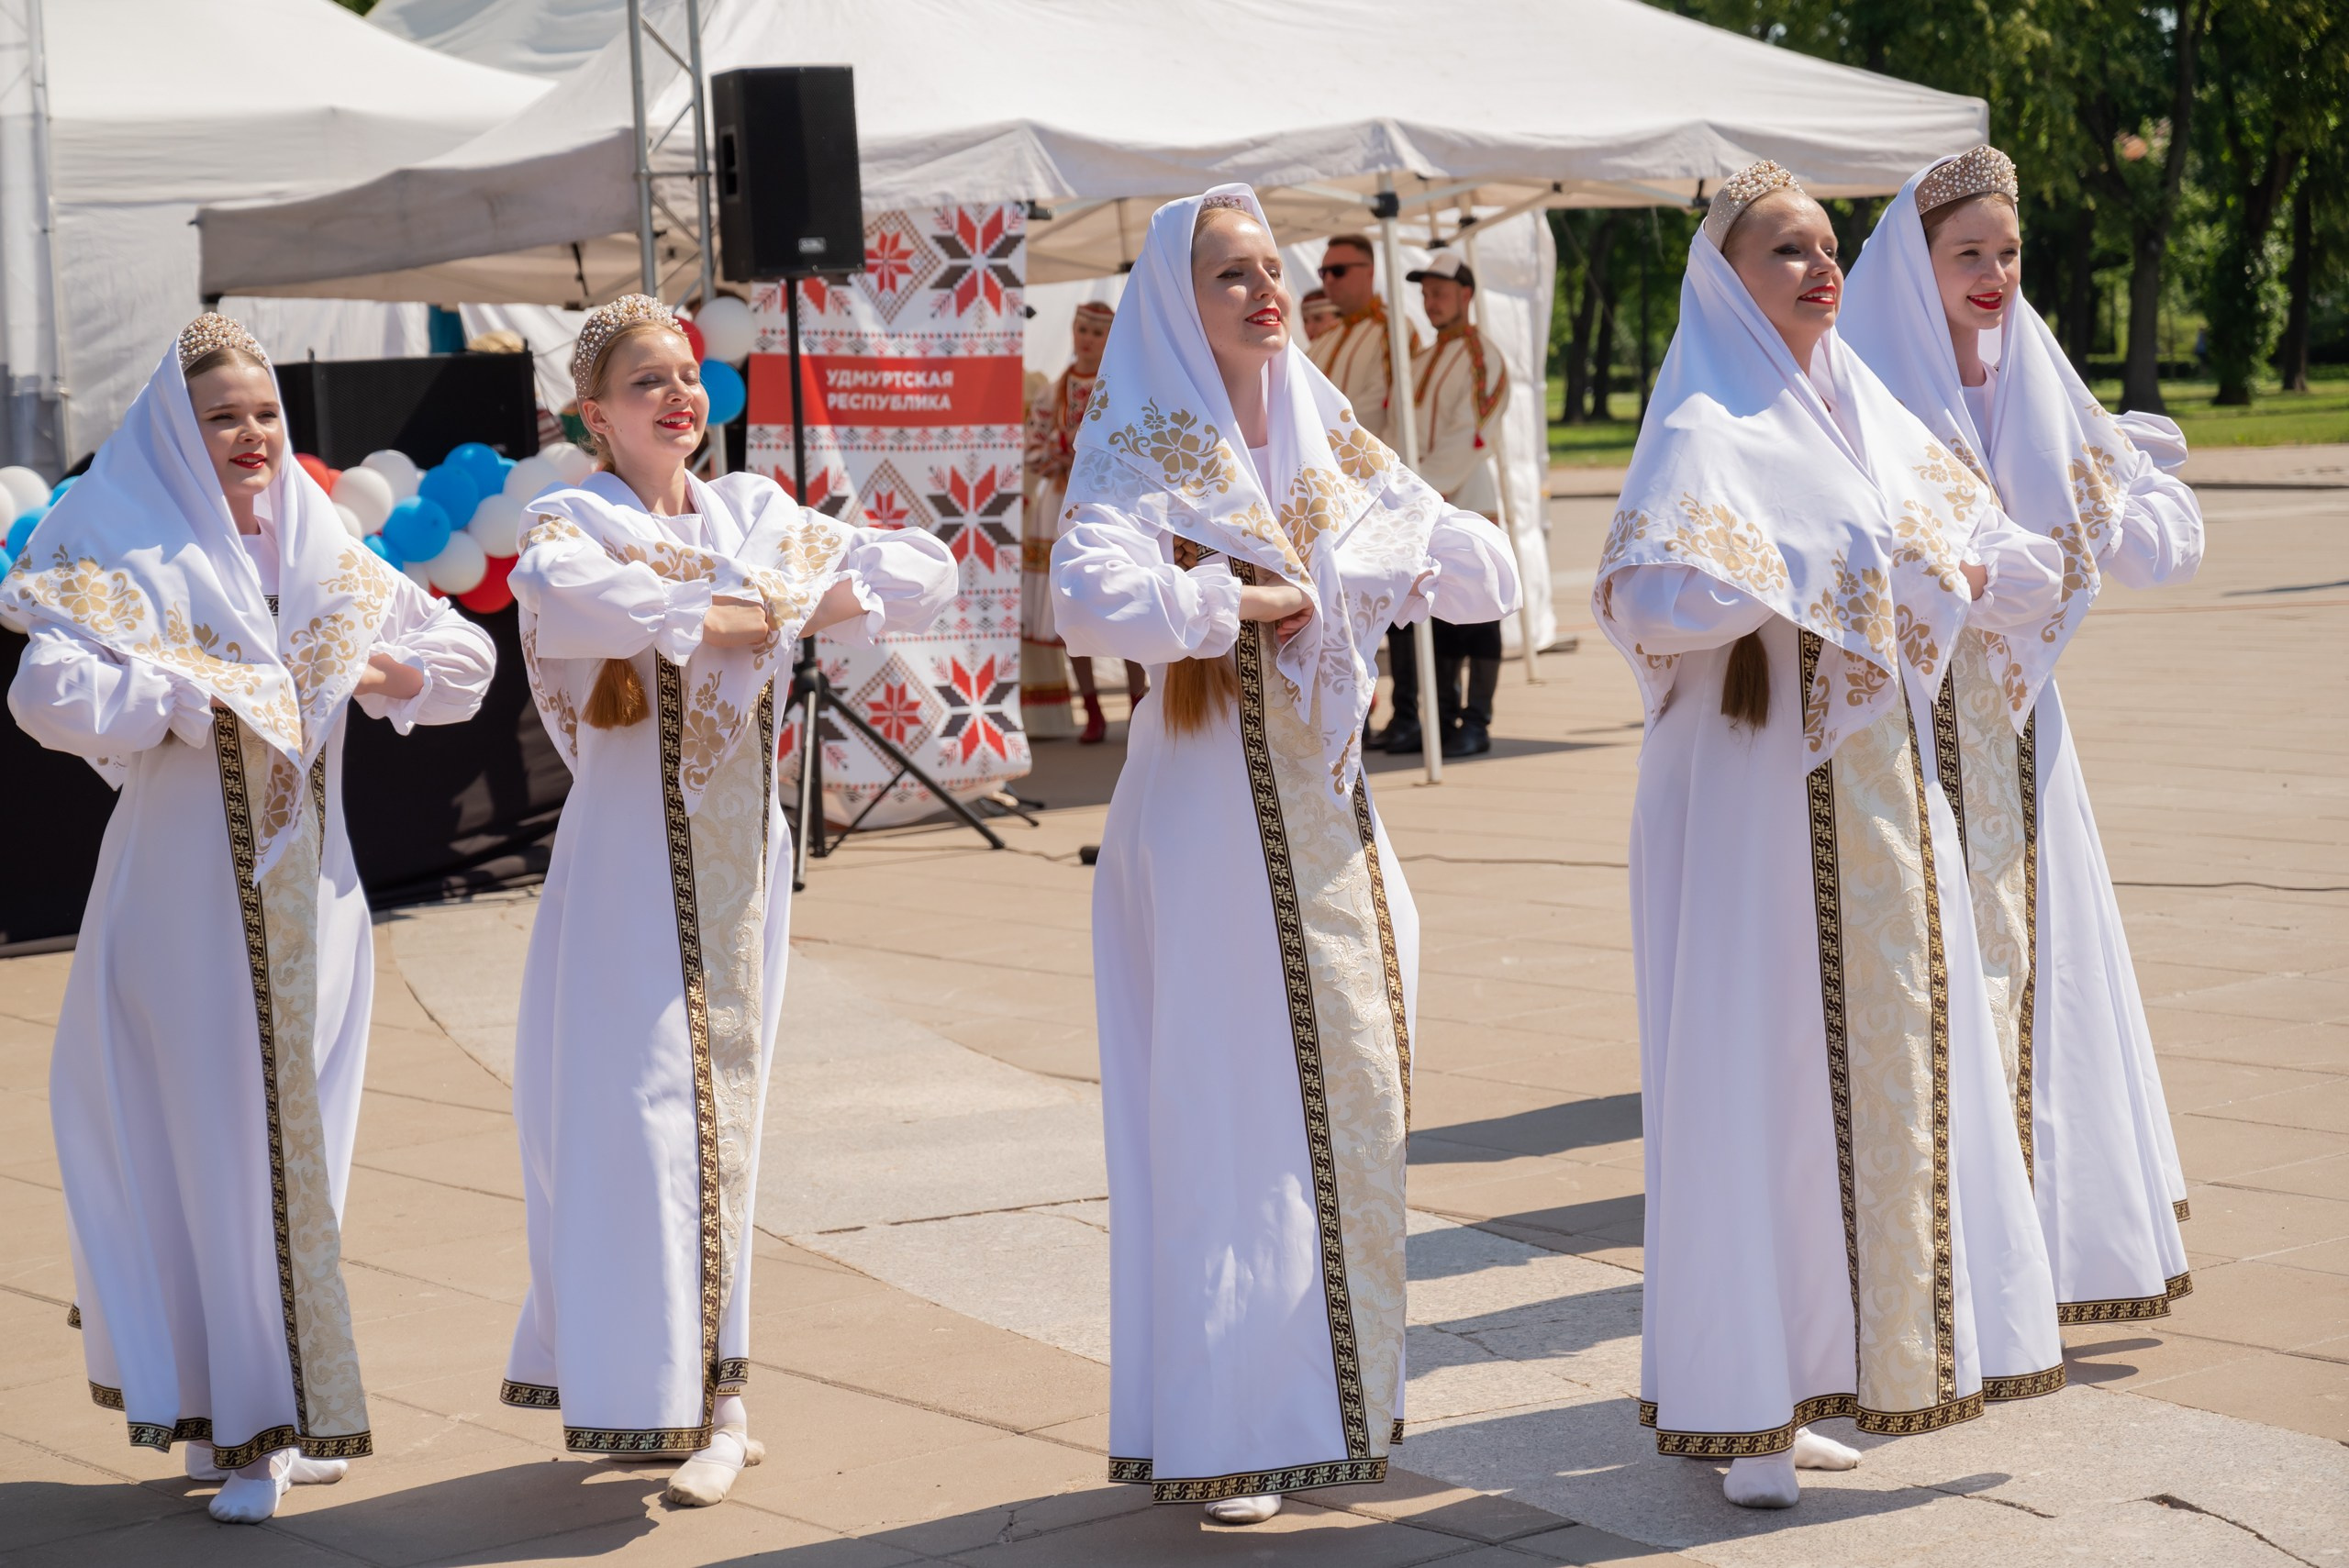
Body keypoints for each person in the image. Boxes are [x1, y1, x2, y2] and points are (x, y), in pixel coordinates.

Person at [1593, 163, 2069, 1509]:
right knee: (1751, 1080)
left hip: (1873, 789)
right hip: (1748, 796)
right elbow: (1652, 597)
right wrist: (1832, 570)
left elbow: (1981, 544)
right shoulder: (1705, 420)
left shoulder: (1866, 414)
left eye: (1824, 249)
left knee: (1862, 1083)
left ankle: (1814, 1372)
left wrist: (1995, 567)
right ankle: (1741, 1405)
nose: (1818, 271)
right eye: (1783, 252)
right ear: (1726, 280)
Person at [1052, 187, 1519, 1526]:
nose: (1267, 293)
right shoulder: (1143, 439)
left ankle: (1321, 1404)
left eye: (1274, 271)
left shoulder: (1331, 437)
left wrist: (1409, 549)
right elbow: (1087, 594)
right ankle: (1224, 1424)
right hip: (1203, 833)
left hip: (1332, 838)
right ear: (1175, 302)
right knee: (1224, 1118)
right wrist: (1232, 596)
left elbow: (1480, 571)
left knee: (1351, 1103)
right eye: (1230, 276)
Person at [1, 315, 495, 1523]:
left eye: (266, 414)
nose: (251, 436)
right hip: (182, 902)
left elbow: (466, 660)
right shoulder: (121, 537)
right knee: (210, 1152)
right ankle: (246, 1424)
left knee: (297, 1156)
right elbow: (47, 690)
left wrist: (380, 673)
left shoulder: (323, 547)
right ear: (180, 429)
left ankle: (275, 1416)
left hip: (313, 896)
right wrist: (182, 691)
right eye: (225, 416)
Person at [502, 295, 955, 1507]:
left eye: (688, 375)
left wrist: (757, 597)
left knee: (722, 1111)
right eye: (646, 381)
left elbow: (918, 568)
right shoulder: (574, 516)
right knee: (634, 1116)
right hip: (620, 863)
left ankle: (724, 1396)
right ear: (594, 414)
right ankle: (659, 1382)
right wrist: (760, 604)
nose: (677, 395)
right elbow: (570, 592)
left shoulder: (754, 509)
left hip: (737, 859)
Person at [1841, 146, 2201, 1326]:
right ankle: (1946, 1240)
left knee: (2040, 956)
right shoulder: (1863, 383)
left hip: (2016, 721)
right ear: (1917, 263)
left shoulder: (2029, 369)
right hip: (1904, 717)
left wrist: (2121, 502)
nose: (1993, 275)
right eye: (1967, 255)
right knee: (1936, 968)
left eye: (2006, 253)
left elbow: (2137, 528)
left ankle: (2052, 1230)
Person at [1392, 250, 1512, 757]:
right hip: (1422, 499)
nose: (1430, 300)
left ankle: (1477, 720)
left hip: (1463, 498)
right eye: (1425, 292)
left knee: (1477, 611)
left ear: (1466, 293)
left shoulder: (1484, 356)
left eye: (1439, 291)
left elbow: (1471, 431)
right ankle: (1440, 718)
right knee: (1432, 610)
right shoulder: (1419, 357)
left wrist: (1422, 487)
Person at [1023, 300, 1147, 742]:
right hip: (1059, 502)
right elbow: (1034, 443)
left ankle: (1138, 703)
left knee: (1121, 595)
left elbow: (1134, 443)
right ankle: (1091, 706)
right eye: (1081, 329)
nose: (1087, 339)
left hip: (1108, 501)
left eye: (1097, 332)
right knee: (1070, 603)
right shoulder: (1052, 390)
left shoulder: (1121, 387)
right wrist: (1055, 458)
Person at [1305, 233, 1414, 445]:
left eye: (1338, 271)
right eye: (1323, 272)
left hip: (1364, 464)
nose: (1328, 280)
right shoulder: (1326, 338)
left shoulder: (1392, 329)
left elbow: (1379, 405)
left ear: (1370, 272)